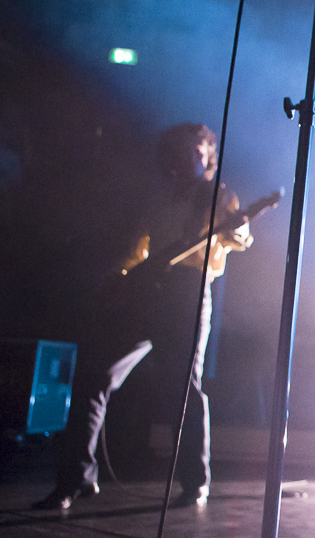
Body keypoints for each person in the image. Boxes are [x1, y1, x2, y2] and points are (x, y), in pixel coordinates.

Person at [34, 123, 252, 510]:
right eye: (185, 152)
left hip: (187, 292)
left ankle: (194, 481)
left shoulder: (217, 195)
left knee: (183, 387)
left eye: (199, 152)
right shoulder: (160, 201)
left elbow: (237, 239)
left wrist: (239, 230)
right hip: (149, 293)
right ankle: (76, 478)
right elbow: (138, 251)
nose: (193, 159)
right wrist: (118, 281)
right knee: (94, 373)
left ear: (208, 157)